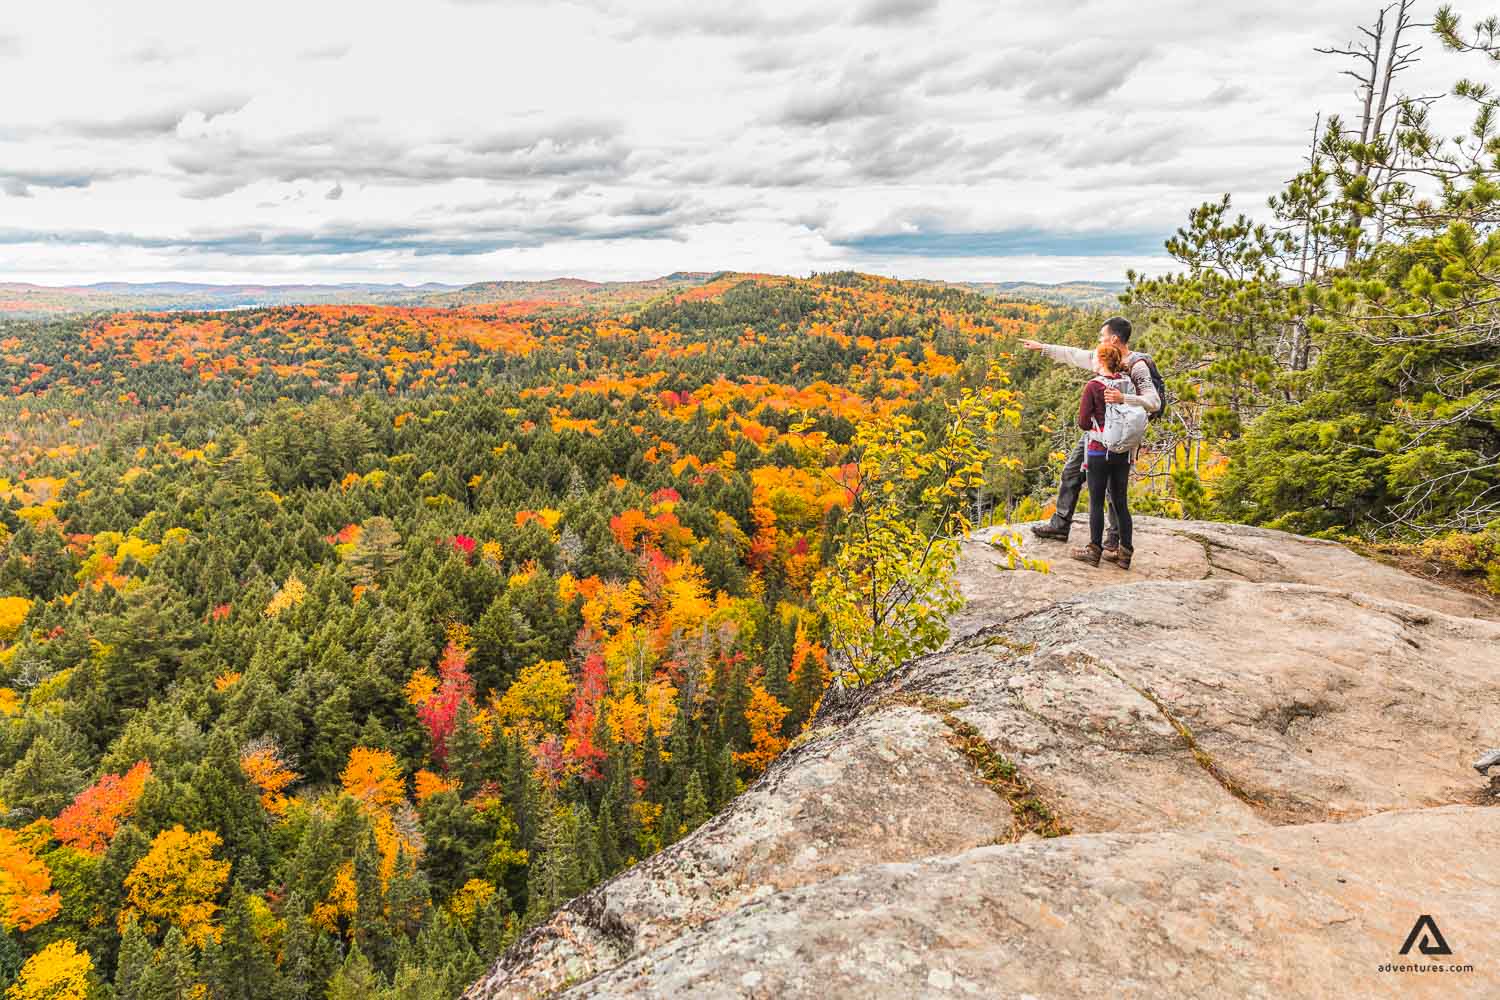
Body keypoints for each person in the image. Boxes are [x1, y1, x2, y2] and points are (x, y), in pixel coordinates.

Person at [1021, 316, 1159, 550]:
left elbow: (1153, 401)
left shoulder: (1137, 365)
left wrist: (1123, 398)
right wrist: (1043, 348)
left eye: (1102, 337)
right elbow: (1074, 355)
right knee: (1071, 472)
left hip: (1120, 439)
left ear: (1114, 339)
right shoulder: (1103, 359)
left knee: (1113, 492)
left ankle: (1113, 539)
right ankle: (1060, 525)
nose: (1098, 341)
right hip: (1096, 436)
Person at [1069, 342, 1135, 568]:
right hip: (1123, 451)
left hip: (1099, 451)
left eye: (1096, 357)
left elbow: (1083, 422)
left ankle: (1094, 550)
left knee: (1096, 501)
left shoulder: (1093, 386)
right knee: (1120, 502)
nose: (1093, 361)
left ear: (1102, 360)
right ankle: (1125, 552)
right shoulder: (1126, 384)